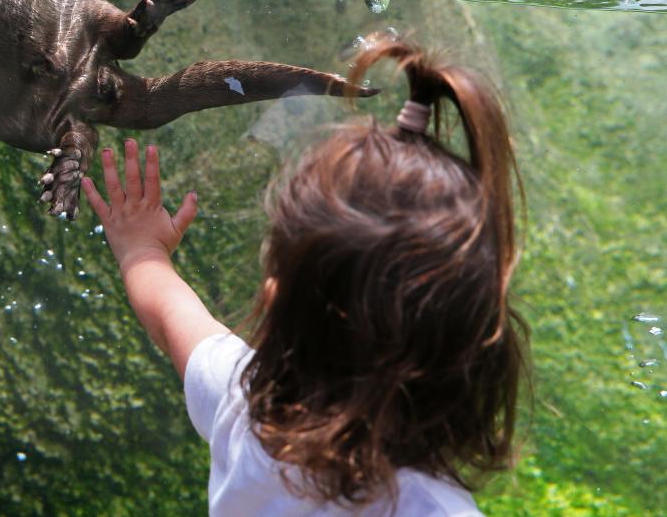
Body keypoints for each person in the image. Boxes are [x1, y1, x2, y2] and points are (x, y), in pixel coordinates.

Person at [81, 32, 526, 516]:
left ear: (274, 300)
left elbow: (168, 312)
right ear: (479, 347)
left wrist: (141, 248)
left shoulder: (241, 407)